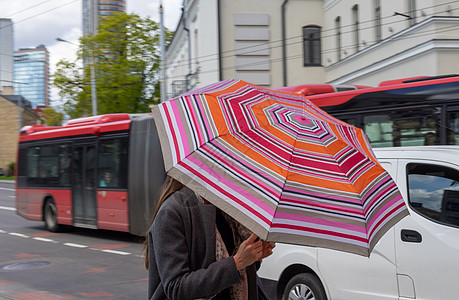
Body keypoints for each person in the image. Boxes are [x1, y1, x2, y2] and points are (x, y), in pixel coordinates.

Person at [145, 177, 276, 300]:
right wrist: (236, 263)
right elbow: (176, 287)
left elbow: (237, 271)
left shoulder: (227, 206)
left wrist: (254, 256)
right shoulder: (172, 211)